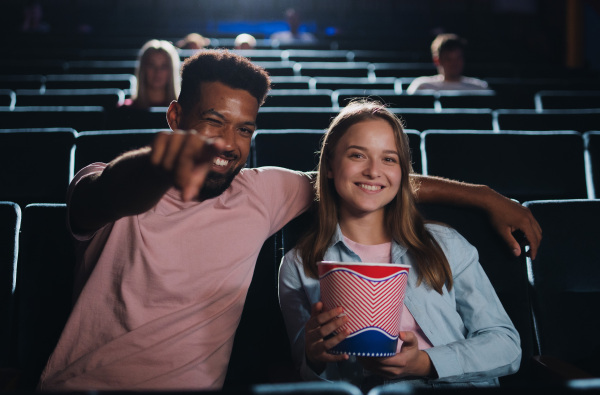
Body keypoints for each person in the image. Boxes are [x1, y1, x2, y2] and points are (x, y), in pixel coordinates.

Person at [38, 50, 539, 391]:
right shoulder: (102, 183)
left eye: (243, 129)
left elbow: (359, 178)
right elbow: (110, 192)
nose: (228, 143)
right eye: (213, 122)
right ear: (174, 118)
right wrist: (163, 161)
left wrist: (485, 197)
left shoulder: (261, 192)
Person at [278, 100, 521, 391]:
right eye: (357, 155)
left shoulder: (445, 244)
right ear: (330, 166)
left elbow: (506, 344)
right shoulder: (299, 264)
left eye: (389, 159)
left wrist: (426, 363)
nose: (373, 171)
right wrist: (314, 358)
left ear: (403, 172)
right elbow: (306, 373)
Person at [406, 34, 488, 94]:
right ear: (437, 60)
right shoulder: (422, 86)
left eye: (458, 58)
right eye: (449, 59)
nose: (454, 64)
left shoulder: (480, 87)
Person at [122, 39, 181, 109]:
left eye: (164, 66)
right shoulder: (125, 109)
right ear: (143, 69)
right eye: (151, 65)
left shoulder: (183, 111)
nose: (158, 71)